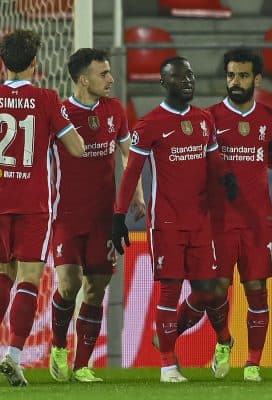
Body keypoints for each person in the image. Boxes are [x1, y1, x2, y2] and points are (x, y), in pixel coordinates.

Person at [111, 56, 238, 383]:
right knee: (169, 291)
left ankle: (224, 340)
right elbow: (132, 173)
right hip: (166, 222)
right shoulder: (149, 124)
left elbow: (214, 159)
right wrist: (118, 215)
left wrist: (227, 177)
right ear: (164, 83)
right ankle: (168, 364)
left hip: (201, 220)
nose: (188, 81)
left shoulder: (203, 120)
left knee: (208, 292)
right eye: (179, 77)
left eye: (191, 75)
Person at [48, 48, 146, 383]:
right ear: (82, 78)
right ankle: (58, 346)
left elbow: (127, 155)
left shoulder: (115, 110)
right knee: (68, 284)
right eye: (103, 74)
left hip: (103, 218)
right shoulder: (58, 112)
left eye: (109, 72)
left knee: (96, 287)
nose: (111, 79)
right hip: (65, 216)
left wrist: (137, 192)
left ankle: (82, 365)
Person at [0, 29, 85, 387]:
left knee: (3, 274)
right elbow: (77, 148)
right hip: (34, 203)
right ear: (36, 63)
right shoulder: (48, 99)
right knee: (29, 279)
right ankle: (14, 357)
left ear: (3, 63)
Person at [203, 48, 272, 382]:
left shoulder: (269, 119)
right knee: (215, 290)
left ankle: (253, 362)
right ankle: (224, 341)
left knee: (256, 289)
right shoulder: (207, 119)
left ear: (258, 79)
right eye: (231, 75)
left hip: (257, 221)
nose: (235, 82)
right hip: (219, 221)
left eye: (243, 75)